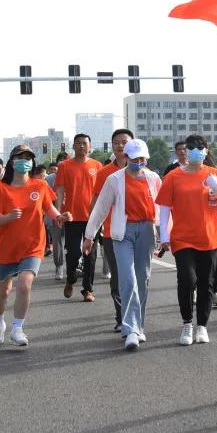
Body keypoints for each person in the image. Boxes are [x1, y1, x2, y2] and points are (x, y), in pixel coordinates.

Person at [0, 144, 70, 346]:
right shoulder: (0, 189)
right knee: (3, 291)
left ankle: (17, 328)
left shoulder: (40, 186)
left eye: (28, 158)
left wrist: (59, 217)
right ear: (12, 161)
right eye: (20, 157)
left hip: (32, 244)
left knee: (24, 284)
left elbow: (48, 207)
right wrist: (8, 217)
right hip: (6, 246)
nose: (25, 160)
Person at [84, 139, 161, 350]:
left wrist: (166, 235)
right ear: (126, 158)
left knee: (142, 278)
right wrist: (89, 235)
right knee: (127, 279)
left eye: (143, 158)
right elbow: (101, 208)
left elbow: (162, 207)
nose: (140, 162)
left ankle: (139, 326)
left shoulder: (153, 178)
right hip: (122, 232)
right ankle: (130, 329)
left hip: (146, 230)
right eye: (136, 158)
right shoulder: (114, 179)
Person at [155, 134, 217, 346]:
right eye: (191, 147)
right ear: (185, 150)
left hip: (209, 236)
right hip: (183, 238)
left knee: (206, 282)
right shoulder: (174, 177)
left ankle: (202, 326)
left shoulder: (215, 174)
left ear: (206, 150)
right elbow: (164, 208)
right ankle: (187, 323)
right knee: (187, 280)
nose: (196, 151)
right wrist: (164, 236)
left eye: (200, 147)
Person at [88, 128, 133, 330]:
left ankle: (135, 317)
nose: (120, 145)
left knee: (138, 277)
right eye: (116, 142)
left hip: (138, 232)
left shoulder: (144, 171)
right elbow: (98, 204)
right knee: (118, 276)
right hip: (113, 234)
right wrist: (90, 231)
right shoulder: (104, 173)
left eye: (124, 142)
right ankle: (122, 318)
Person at [57, 134, 102, 296]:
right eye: (78, 143)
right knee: (74, 252)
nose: (82, 146)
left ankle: (88, 289)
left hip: (93, 217)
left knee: (90, 254)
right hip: (72, 216)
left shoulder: (97, 166)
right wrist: (58, 213)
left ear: (90, 147)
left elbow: (102, 193)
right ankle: (70, 279)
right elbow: (60, 190)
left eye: (85, 143)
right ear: (73, 146)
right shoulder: (64, 166)